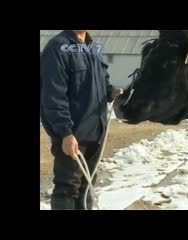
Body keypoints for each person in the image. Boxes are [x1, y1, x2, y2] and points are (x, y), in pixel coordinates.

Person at [40, 30, 123, 210]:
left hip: (96, 133)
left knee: (87, 187)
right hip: (73, 135)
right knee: (68, 188)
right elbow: (53, 96)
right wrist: (65, 134)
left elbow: (101, 82)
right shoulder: (57, 48)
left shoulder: (93, 47)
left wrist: (111, 92)